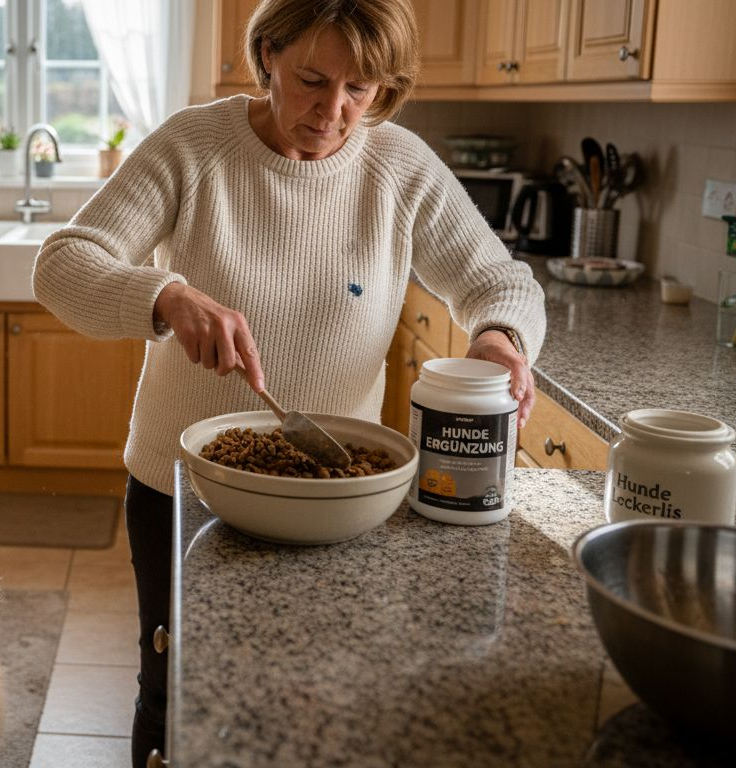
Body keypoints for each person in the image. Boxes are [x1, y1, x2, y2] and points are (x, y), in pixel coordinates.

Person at [31, 0, 546, 764]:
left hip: (336, 495)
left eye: (360, 90)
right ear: (268, 53)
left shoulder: (398, 166)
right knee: (174, 692)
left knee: (315, 692)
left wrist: (502, 338)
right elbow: (62, 266)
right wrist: (163, 295)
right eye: (312, 79)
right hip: (184, 494)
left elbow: (498, 280)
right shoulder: (191, 146)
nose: (331, 111)